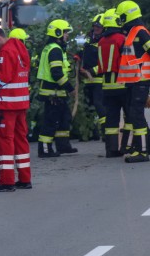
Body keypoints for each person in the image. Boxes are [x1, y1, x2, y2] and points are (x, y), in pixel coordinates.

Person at [0, 26, 31, 192]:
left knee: (5, 141)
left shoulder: (4, 52)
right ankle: (25, 178)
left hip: (8, 104)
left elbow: (4, 78)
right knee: (20, 140)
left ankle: (7, 181)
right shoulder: (20, 49)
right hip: (21, 103)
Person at [84, 9, 127, 157]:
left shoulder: (101, 41)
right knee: (130, 117)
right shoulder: (120, 39)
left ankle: (111, 149)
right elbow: (126, 60)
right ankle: (127, 148)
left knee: (111, 119)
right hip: (122, 82)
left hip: (106, 85)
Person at [35, 19, 77, 157]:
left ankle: (63, 146)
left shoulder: (54, 48)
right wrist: (70, 88)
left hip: (56, 92)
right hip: (53, 93)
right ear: (58, 32)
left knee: (64, 118)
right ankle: (45, 150)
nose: (67, 35)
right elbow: (57, 73)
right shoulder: (55, 50)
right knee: (51, 121)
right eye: (65, 32)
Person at [115, 0, 150, 163]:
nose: (120, 20)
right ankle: (141, 147)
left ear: (128, 15)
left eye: (121, 16)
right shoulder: (132, 32)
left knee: (136, 115)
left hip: (140, 80)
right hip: (133, 82)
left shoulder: (141, 32)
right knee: (134, 115)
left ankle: (143, 151)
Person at [79, 14, 106, 140]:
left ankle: (106, 132)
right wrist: (78, 56)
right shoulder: (90, 41)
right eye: (95, 26)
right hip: (87, 80)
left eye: (99, 27)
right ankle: (91, 132)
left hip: (99, 80)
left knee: (99, 105)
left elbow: (104, 63)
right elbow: (86, 55)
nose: (96, 29)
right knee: (88, 106)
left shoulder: (104, 42)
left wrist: (90, 71)